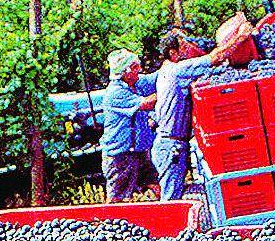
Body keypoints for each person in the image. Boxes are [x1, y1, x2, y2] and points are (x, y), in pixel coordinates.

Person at [152, 24, 249, 200]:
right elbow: (216, 57)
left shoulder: (164, 72)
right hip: (171, 147)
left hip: (171, 144)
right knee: (171, 198)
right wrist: (241, 37)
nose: (187, 50)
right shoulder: (177, 70)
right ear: (173, 54)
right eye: (183, 47)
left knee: (175, 194)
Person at [99, 49, 159, 202]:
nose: (139, 70)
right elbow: (145, 104)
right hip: (120, 156)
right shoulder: (115, 93)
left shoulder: (136, 84)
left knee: (156, 185)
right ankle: (110, 223)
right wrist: (167, 92)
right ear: (124, 72)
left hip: (138, 152)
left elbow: (158, 77)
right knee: (117, 200)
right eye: (135, 67)